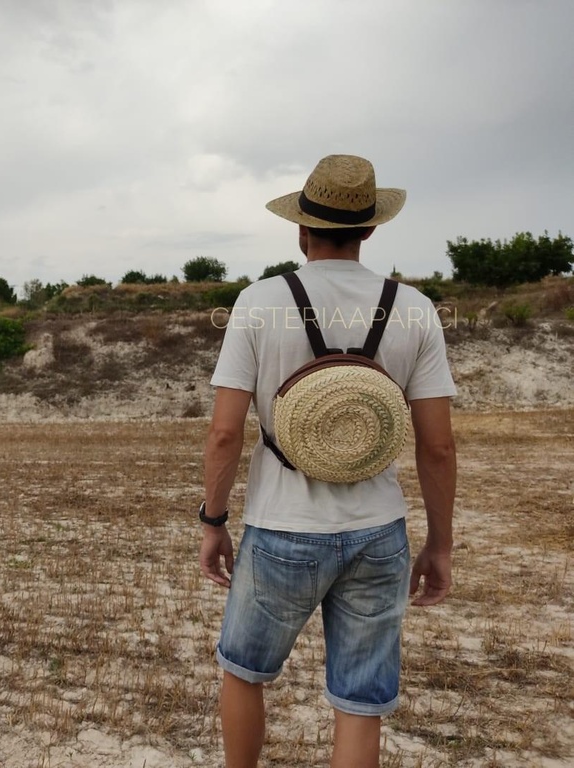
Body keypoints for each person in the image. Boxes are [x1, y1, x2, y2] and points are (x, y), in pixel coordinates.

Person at [199, 154, 457, 768]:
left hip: (281, 525)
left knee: (244, 674)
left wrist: (213, 521)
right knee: (358, 703)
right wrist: (440, 543)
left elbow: (224, 435)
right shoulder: (415, 309)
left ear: (300, 229)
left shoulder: (259, 301)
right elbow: (438, 445)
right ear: (370, 230)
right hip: (378, 531)